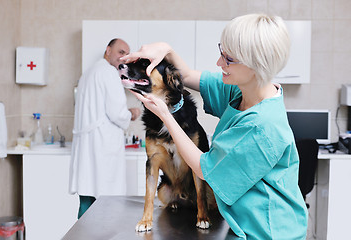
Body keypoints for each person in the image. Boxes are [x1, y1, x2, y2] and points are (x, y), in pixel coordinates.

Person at [121, 14, 308, 239]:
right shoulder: (242, 90)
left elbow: (204, 168)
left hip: (268, 232)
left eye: (228, 58)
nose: (219, 63)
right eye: (222, 52)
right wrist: (166, 50)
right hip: (244, 225)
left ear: (255, 64)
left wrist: (165, 115)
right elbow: (186, 75)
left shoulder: (262, 128)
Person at [70, 38, 141, 219]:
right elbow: (117, 113)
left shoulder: (88, 73)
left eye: (127, 54)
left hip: (88, 149)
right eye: (120, 52)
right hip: (102, 149)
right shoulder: (109, 73)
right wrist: (131, 113)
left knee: (86, 201)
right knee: (107, 207)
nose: (123, 57)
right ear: (108, 50)